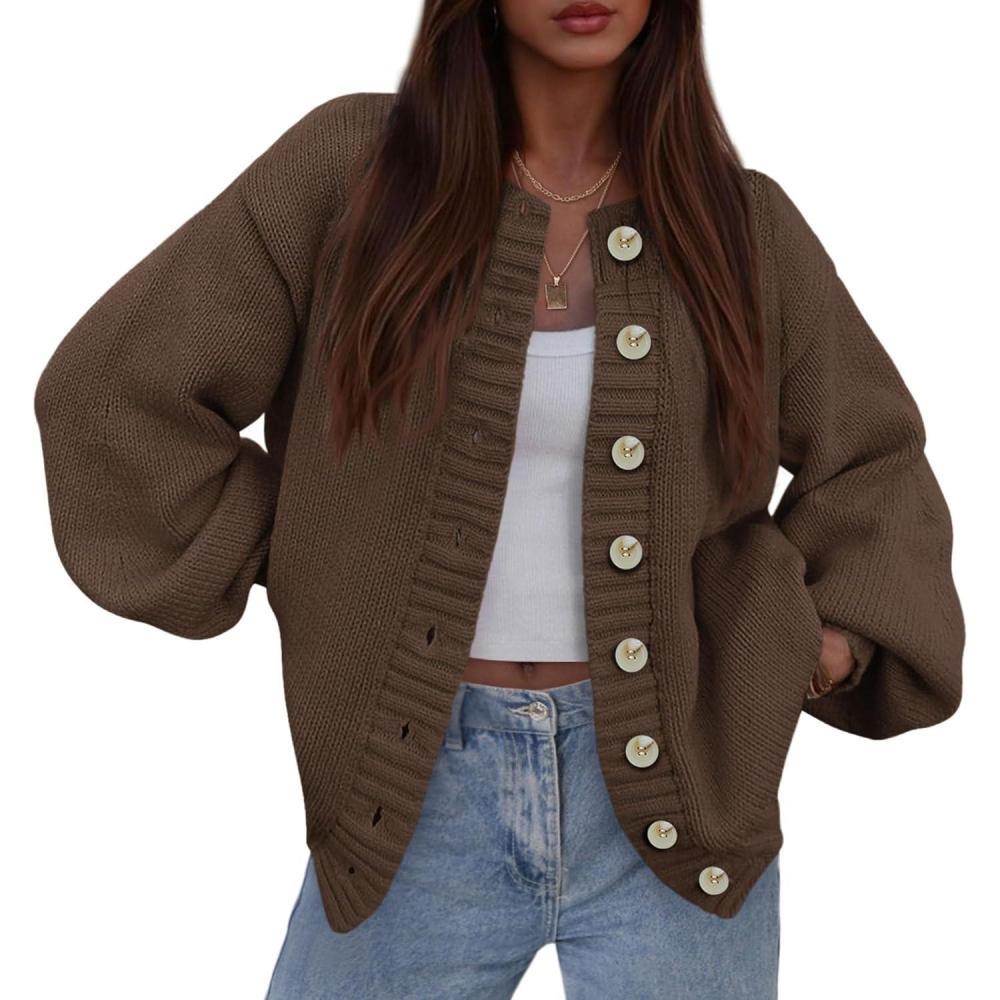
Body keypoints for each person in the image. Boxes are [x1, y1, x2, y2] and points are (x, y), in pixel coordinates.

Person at [33, 1, 964, 997]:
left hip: (681, 803)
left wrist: (821, 644)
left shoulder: (741, 227)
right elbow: (112, 397)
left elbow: (873, 458)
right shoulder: (353, 173)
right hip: (409, 797)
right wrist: (308, 551)